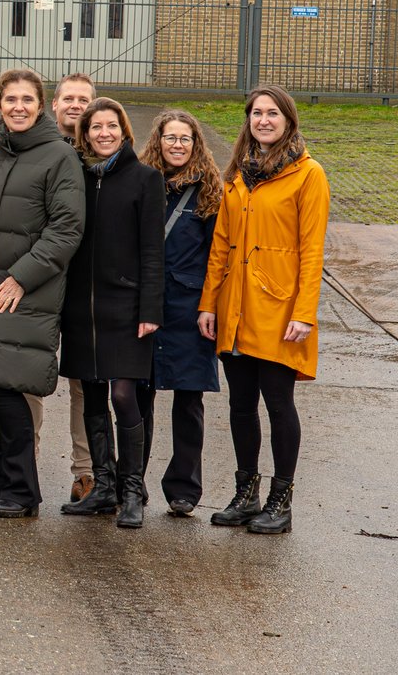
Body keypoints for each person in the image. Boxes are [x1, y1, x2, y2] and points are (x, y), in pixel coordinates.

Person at [0, 69, 84, 518]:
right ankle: (3, 479)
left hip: (26, 290)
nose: (18, 107)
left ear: (41, 106)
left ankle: (23, 492)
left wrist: (22, 277)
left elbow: (66, 229)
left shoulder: (58, 156)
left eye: (27, 99)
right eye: (11, 100)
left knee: (10, 387)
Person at [198, 85, 329, 534]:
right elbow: (220, 245)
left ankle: (281, 500)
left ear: (288, 120)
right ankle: (246, 494)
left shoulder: (308, 175)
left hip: (279, 308)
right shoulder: (238, 174)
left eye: (272, 113)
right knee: (240, 404)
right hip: (235, 306)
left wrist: (304, 312)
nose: (264, 120)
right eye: (256, 113)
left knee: (278, 402)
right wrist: (208, 304)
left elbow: (312, 251)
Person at [57, 99, 165, 529]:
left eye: (111, 125)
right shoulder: (76, 178)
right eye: (95, 127)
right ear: (85, 134)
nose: (104, 133)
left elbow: (153, 251)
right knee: (93, 395)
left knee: (124, 394)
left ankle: (131, 488)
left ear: (124, 130)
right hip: (82, 306)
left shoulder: (145, 179)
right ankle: (102, 487)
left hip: (127, 307)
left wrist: (150, 308)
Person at [137, 110, 223, 516]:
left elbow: (218, 256)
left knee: (189, 401)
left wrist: (210, 305)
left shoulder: (210, 192)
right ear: (158, 141)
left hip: (190, 310)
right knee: (140, 397)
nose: (176, 145)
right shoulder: (141, 183)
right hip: (147, 304)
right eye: (169, 137)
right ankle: (132, 480)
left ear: (195, 144)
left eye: (184, 138)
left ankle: (184, 488)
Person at [51, 72, 97, 502]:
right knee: (26, 372)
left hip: (87, 283)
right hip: (41, 278)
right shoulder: (37, 148)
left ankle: (87, 472)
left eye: (84, 99)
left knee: (85, 381)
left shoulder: (106, 155)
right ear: (55, 104)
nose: (76, 105)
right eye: (68, 98)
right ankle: (17, 464)